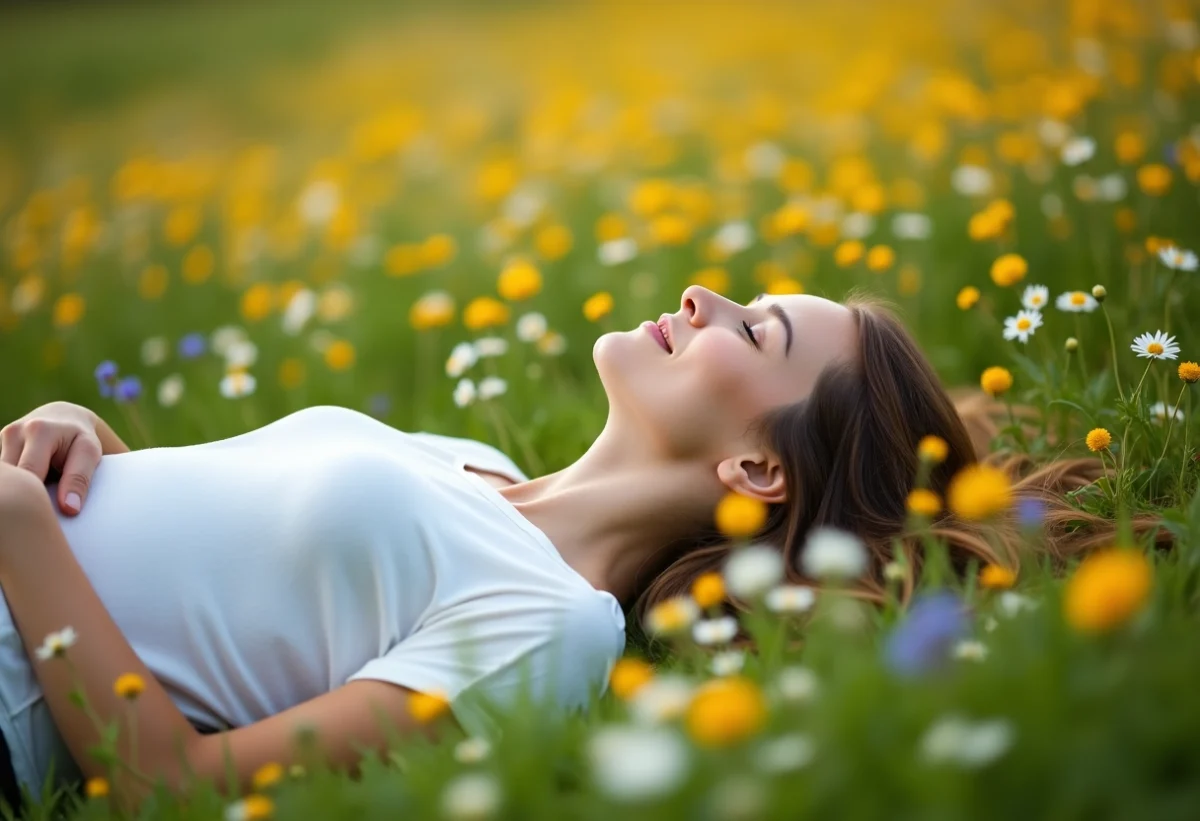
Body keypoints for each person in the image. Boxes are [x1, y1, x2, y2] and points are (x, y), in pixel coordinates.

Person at [0, 285, 1165, 814]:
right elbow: (209, 556)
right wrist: (80, 446)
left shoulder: (552, 624)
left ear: (758, 471)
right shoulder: (461, 457)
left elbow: (170, 785)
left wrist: (16, 528)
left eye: (756, 329)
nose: (706, 292)